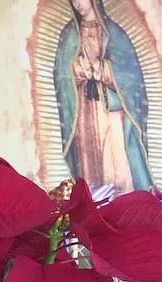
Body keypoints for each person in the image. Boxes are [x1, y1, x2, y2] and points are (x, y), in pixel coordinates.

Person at [54, 0, 153, 192]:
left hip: (111, 111)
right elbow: (61, 74)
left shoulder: (114, 33)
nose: (77, 4)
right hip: (83, 111)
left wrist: (104, 70)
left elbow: (131, 75)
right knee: (89, 162)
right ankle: (95, 209)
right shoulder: (69, 34)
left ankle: (124, 205)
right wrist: (76, 70)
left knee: (116, 160)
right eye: (73, 0)